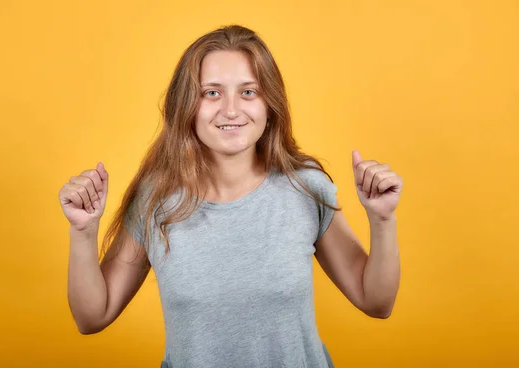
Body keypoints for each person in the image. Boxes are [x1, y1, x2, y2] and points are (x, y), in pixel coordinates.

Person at [59, 25, 402, 368]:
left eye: (249, 92)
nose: (231, 110)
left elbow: (376, 302)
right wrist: (83, 231)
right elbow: (93, 317)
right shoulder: (156, 200)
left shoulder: (305, 188)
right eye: (211, 93)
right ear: (186, 107)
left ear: (270, 105)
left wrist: (382, 220)